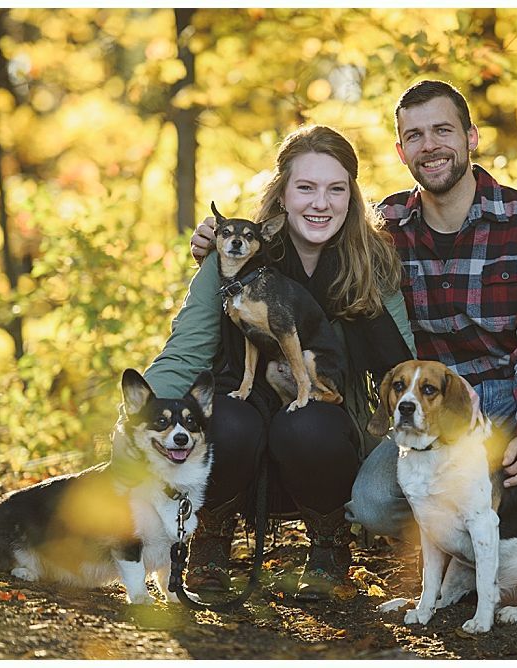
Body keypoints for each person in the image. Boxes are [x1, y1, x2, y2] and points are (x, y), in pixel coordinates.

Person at [190, 81, 517, 623]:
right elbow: (308, 224)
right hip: (440, 404)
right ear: (401, 151)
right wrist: (215, 242)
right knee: (374, 502)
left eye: (443, 130)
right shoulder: (383, 229)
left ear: (471, 137)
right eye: (414, 136)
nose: (430, 145)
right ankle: (485, 552)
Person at [146, 124, 415, 601]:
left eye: (336, 189)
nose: (320, 203)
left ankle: (329, 546)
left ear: (351, 197)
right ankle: (210, 537)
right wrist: (139, 419)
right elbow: (187, 349)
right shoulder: (233, 252)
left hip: (323, 431)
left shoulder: (370, 264)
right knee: (223, 420)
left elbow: (402, 366)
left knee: (309, 426)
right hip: (242, 411)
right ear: (282, 194)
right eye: (305, 187)